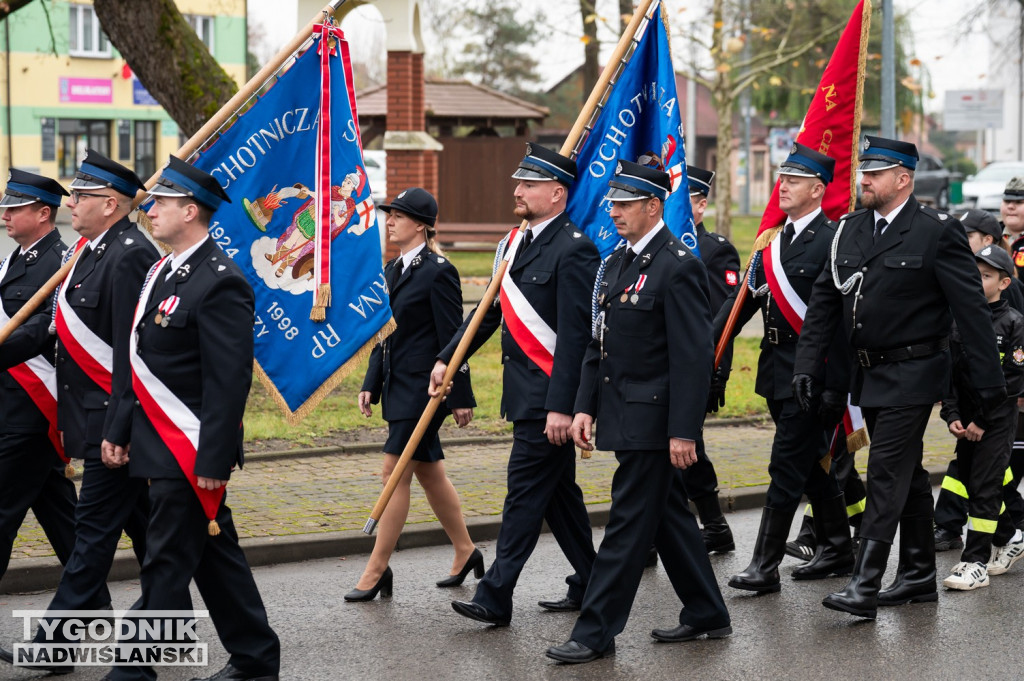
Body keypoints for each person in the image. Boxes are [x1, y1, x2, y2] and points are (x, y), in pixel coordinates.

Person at [793, 135, 1005, 619]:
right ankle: (916, 576)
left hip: (915, 372)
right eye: (863, 171)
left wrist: (987, 387)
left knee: (885, 471)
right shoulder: (849, 229)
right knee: (906, 476)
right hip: (867, 375)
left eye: (874, 173)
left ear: (903, 179)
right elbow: (825, 303)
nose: (863, 180)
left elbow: (970, 312)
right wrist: (808, 366)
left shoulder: (935, 231)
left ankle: (864, 584)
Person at [546, 160, 730, 665]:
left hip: (655, 423)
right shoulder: (618, 262)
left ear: (654, 206)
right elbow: (596, 343)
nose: (615, 212)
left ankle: (594, 632)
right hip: (623, 415)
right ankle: (708, 611)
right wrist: (584, 406)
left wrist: (684, 432)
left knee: (626, 528)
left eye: (625, 204)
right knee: (668, 517)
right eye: (612, 203)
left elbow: (692, 359)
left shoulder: (679, 265)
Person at [104, 156, 280, 681]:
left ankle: (134, 668)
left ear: (190, 210)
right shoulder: (162, 271)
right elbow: (135, 358)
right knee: (213, 555)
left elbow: (228, 383)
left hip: (190, 447)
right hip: (158, 438)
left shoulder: (221, 281)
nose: (150, 210)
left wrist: (214, 459)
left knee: (164, 557)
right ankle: (254, 657)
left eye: (160, 203)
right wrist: (118, 429)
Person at [1, 151, 158, 672]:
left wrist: (119, 424)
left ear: (110, 203)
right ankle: (245, 639)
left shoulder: (128, 252)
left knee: (96, 536)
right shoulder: (92, 251)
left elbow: (127, 349)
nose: (70, 203)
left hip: (105, 420)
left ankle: (62, 645)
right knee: (168, 541)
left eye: (80, 196)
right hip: (89, 418)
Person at [433, 143, 599, 626]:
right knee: (559, 497)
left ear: (557, 193)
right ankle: (593, 580)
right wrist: (449, 357)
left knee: (523, 494)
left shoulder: (575, 248)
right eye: (518, 183)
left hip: (547, 399)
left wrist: (562, 406)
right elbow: (487, 312)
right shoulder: (516, 243)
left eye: (528, 185)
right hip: (525, 396)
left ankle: (495, 594)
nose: (518, 191)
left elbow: (576, 336)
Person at [715, 143, 854, 593]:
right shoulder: (772, 242)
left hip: (812, 376)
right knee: (811, 462)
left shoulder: (834, 240)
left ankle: (764, 565)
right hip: (776, 370)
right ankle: (838, 547)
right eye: (782, 179)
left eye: (792, 181)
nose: (783, 186)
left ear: (818, 190)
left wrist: (835, 385)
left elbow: (840, 322)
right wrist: (706, 347)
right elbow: (744, 306)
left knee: (784, 465)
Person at [348, 187, 480, 600]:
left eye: (398, 216)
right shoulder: (391, 271)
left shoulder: (439, 271)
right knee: (428, 471)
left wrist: (461, 395)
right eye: (389, 215)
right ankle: (466, 550)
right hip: (396, 385)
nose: (389, 221)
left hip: (426, 390)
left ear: (420, 225)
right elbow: (382, 334)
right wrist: (371, 381)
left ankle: (376, 568)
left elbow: (455, 336)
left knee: (393, 471)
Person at [0, 169, 77, 583]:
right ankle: (91, 596)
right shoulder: (13, 258)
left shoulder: (58, 263)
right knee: (60, 513)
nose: (5, 216)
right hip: (11, 405)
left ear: (44, 213)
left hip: (32, 410)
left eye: (14, 208)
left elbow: (38, 332)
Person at [934, 209, 1024, 551]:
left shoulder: (1010, 310)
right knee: (978, 476)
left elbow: (1013, 369)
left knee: (989, 479)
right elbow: (952, 367)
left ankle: (980, 552)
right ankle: (1005, 533)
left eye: (985, 275)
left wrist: (985, 416)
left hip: (998, 411)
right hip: (970, 411)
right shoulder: (963, 309)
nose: (977, 278)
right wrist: (952, 412)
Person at [683, 164, 738, 553]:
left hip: (695, 368)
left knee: (686, 445)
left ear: (701, 206)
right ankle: (711, 525)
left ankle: (714, 524)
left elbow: (724, 320)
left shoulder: (716, 251)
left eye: (683, 200)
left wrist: (716, 375)